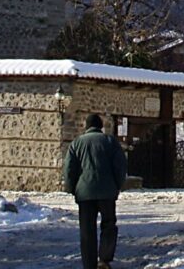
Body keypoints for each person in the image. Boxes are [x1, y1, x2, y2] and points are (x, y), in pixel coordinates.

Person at [64, 113, 127, 269]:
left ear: (86, 127)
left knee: (87, 230)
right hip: (107, 192)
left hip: (84, 193)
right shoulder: (110, 141)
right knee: (109, 225)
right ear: (100, 127)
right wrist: (117, 185)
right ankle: (104, 259)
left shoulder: (76, 143)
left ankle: (89, 264)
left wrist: (72, 188)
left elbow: (69, 169)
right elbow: (120, 166)